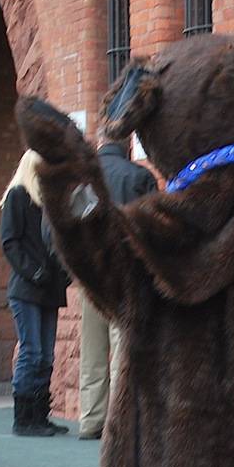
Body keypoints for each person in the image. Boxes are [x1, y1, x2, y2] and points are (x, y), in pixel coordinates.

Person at [76, 131, 157, 439]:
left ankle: (90, 418)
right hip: (127, 272)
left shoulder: (86, 180)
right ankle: (118, 422)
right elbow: (150, 227)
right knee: (122, 347)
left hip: (92, 272)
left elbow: (75, 225)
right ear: (127, 146)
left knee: (92, 350)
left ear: (100, 144)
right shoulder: (139, 176)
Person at [0, 149, 69, 437]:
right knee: (32, 352)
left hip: (49, 290)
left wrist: (63, 274)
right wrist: (34, 272)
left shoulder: (48, 202)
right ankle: (23, 418)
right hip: (27, 288)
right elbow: (10, 242)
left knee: (47, 357)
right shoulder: (18, 195)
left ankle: (40, 416)